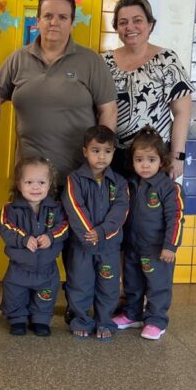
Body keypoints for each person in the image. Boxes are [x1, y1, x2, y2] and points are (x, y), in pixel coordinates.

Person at [0, 0, 117, 180]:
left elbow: (109, 111)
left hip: (78, 179)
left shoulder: (90, 61)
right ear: (38, 21)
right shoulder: (17, 59)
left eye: (62, 17)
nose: (54, 22)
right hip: (31, 179)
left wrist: (99, 164)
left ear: (72, 23)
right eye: (48, 16)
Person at [102, 0, 193, 178]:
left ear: (150, 24)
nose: (130, 27)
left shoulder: (166, 60)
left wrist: (178, 157)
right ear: (116, 28)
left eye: (137, 20)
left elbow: (182, 112)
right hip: (114, 158)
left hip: (154, 158)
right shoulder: (104, 62)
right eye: (123, 22)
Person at [113, 128, 185, 341]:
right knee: (132, 283)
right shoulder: (130, 184)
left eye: (151, 160)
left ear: (162, 161)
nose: (145, 165)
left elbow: (176, 218)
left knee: (157, 286)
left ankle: (156, 321)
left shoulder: (169, 188)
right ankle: (132, 314)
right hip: (132, 246)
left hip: (157, 250)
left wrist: (170, 246)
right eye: (139, 160)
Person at [61, 126, 129, 340]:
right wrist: (88, 233)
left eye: (107, 151)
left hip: (108, 246)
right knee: (79, 284)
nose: (101, 156)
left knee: (108, 286)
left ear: (114, 153)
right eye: (96, 150)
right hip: (82, 246)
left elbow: (120, 211)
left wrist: (101, 232)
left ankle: (105, 321)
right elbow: (74, 207)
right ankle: (81, 320)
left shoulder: (119, 182)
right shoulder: (74, 179)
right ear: (85, 152)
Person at [0, 156, 69, 337]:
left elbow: (65, 226)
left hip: (46, 267)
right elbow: (5, 227)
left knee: (46, 293)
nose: (35, 187)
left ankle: (40, 319)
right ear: (19, 184)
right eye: (29, 182)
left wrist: (51, 236)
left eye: (41, 182)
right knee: (14, 293)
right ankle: (17, 319)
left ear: (49, 184)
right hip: (19, 267)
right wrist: (23, 239)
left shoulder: (57, 208)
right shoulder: (10, 209)